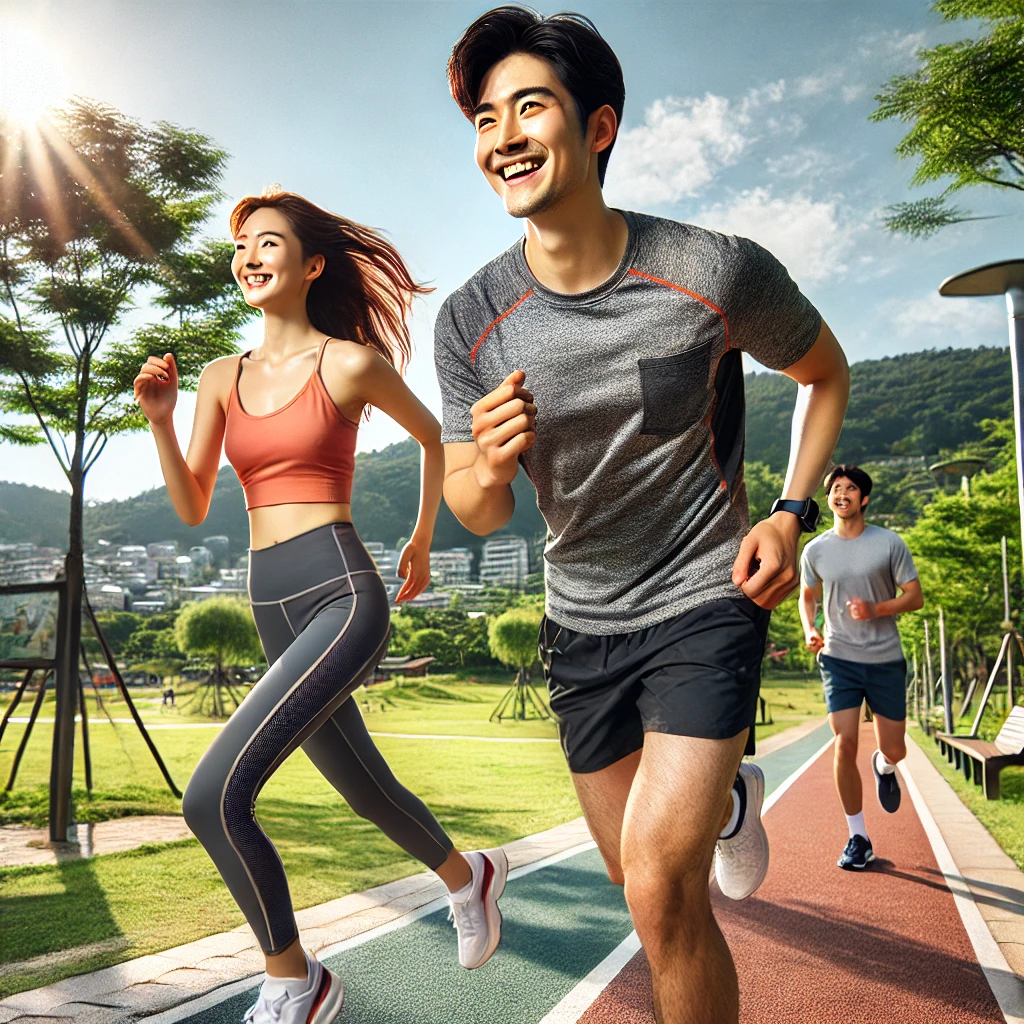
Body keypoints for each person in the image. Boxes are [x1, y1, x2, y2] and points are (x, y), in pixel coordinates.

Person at [433, 9, 850, 1023]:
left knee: (662, 893)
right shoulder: (466, 321)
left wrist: (791, 513)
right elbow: (473, 508)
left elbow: (824, 372)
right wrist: (486, 461)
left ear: (599, 126)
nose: (504, 137)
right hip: (580, 619)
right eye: (486, 118)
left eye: (529, 106)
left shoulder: (709, 270)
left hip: (705, 591)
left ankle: (715, 791)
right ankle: (729, 799)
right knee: (642, 886)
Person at [134, 190, 506, 1024]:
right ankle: (466, 875)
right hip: (270, 598)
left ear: (311, 265)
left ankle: (294, 980)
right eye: (240, 248)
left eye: (269, 243)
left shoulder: (349, 363)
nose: (249, 257)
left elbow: (434, 437)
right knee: (363, 788)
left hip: (341, 592)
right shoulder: (218, 378)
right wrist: (161, 421)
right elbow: (194, 505)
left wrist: (423, 537)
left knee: (213, 799)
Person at [800, 465, 923, 870]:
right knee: (845, 742)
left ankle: (883, 766)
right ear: (829, 498)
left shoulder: (889, 543)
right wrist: (810, 629)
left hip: (885, 657)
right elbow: (808, 597)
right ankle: (858, 837)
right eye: (836, 488)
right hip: (838, 657)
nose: (842, 494)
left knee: (895, 748)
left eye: (851, 488)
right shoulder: (815, 550)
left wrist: (877, 609)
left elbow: (914, 597)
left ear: (863, 499)